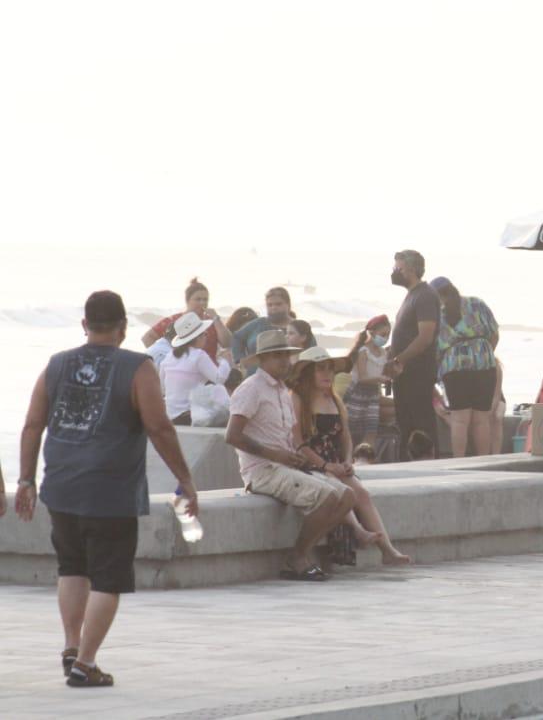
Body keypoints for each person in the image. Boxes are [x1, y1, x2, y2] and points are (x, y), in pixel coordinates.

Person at [12, 291, 198, 687]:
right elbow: (159, 427)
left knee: (72, 567)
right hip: (110, 491)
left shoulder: (56, 365)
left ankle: (70, 645)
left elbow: (32, 425)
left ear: (84, 325)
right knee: (108, 578)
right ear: (123, 328)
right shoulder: (138, 367)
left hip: (61, 486)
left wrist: (26, 479)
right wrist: (186, 478)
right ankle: (85, 663)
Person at [224, 329, 354, 581]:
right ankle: (297, 557)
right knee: (327, 497)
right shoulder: (251, 388)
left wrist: (295, 456)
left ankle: (300, 554)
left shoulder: (283, 390)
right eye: (277, 356)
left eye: (287, 355)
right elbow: (232, 436)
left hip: (285, 467)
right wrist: (276, 455)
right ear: (263, 360)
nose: (285, 361)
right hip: (262, 470)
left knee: (347, 496)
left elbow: (286, 437)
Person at [288, 348, 411, 566]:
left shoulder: (334, 400)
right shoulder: (298, 399)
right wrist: (324, 465)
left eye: (330, 370)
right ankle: (358, 530)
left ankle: (388, 550)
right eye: (320, 370)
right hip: (311, 462)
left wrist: (347, 460)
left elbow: (345, 436)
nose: (327, 374)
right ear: (308, 373)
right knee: (339, 489)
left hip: (334, 460)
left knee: (361, 492)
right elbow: (298, 443)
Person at [431, 277, 499, 458]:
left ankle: (458, 462)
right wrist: (482, 354)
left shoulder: (437, 314)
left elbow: (435, 349)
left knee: (460, 420)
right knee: (481, 420)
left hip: (454, 367)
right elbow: (494, 334)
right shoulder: (476, 303)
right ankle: (483, 461)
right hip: (484, 363)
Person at [386, 250, 440, 460]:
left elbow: (425, 337)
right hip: (405, 373)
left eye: (397, 268)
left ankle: (428, 464)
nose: (394, 272)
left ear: (412, 269)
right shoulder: (411, 295)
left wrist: (400, 359)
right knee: (406, 423)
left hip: (417, 372)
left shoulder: (424, 295)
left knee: (421, 423)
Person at [160, 312, 233, 425]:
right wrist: (225, 362)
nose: (206, 337)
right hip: (189, 415)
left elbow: (163, 387)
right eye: (205, 334)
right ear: (197, 337)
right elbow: (219, 379)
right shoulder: (198, 355)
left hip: (170, 415)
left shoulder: (169, 356)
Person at [141, 278, 231, 362]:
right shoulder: (176, 321)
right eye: (198, 299)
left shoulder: (211, 322)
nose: (202, 303)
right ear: (187, 301)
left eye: (205, 299)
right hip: (183, 373)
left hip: (209, 372)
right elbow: (147, 338)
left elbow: (227, 343)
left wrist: (216, 318)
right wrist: (165, 357)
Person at [344, 315, 392, 447]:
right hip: (357, 393)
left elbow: (383, 373)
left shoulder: (383, 353)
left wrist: (392, 374)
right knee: (352, 429)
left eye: (388, 335)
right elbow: (362, 378)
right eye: (383, 334)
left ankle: (366, 456)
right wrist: (379, 379)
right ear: (372, 332)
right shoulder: (363, 351)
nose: (386, 338)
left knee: (371, 429)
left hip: (373, 395)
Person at [232, 287, 293, 368]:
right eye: (269, 305)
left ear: (288, 305)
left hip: (285, 377)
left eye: (278, 304)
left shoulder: (298, 326)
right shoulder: (258, 323)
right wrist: (239, 360)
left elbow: (309, 354)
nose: (273, 308)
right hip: (253, 375)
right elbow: (237, 337)